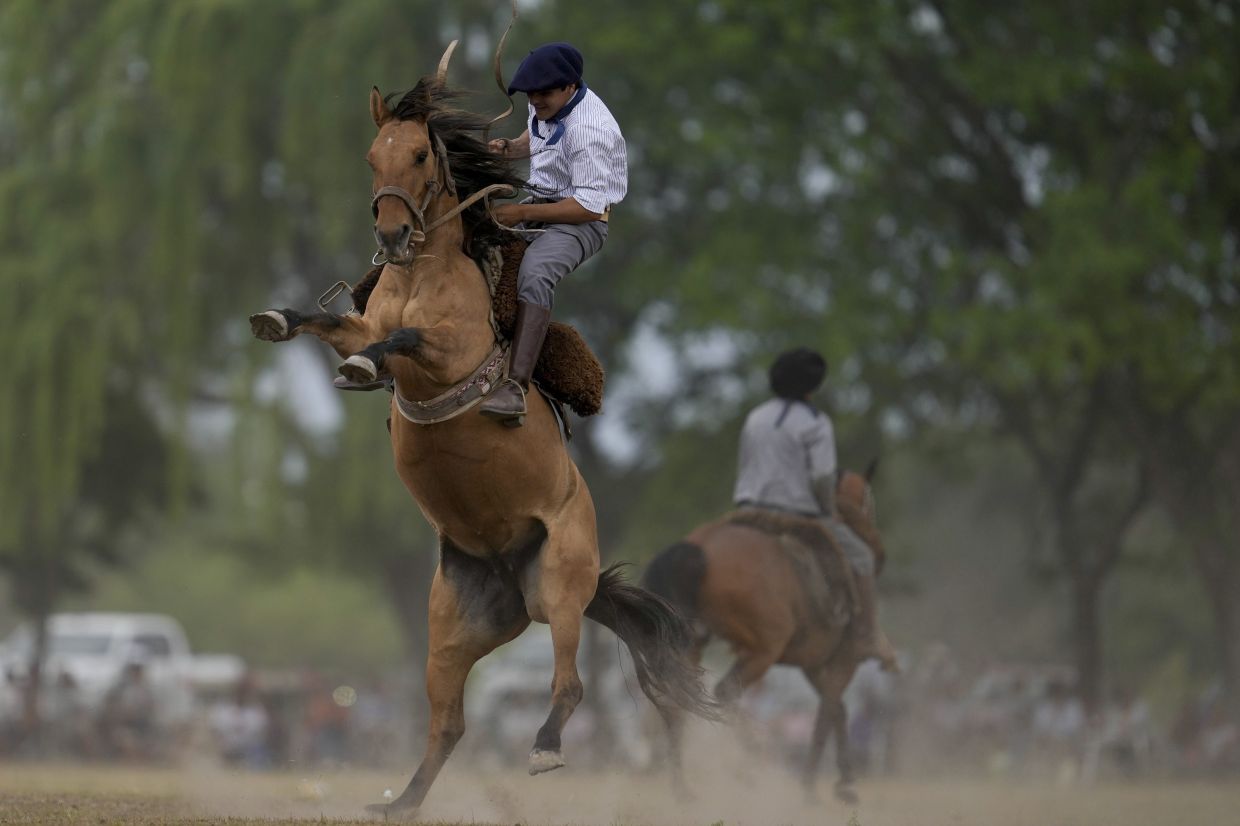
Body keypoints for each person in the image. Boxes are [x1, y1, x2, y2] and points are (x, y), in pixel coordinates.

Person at [482, 41, 628, 425]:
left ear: (569, 87)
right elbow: (537, 136)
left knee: (534, 271)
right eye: (531, 95)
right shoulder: (545, 101)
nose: (536, 101)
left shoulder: (592, 131)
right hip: (538, 206)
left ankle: (515, 387)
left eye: (544, 94)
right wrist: (509, 149)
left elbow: (588, 207)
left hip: (579, 223)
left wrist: (520, 211)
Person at [733, 347, 895, 668]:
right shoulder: (816, 422)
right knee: (862, 557)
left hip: (747, 511)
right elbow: (823, 477)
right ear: (812, 386)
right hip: (794, 515)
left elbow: (747, 463)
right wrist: (827, 510)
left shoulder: (756, 417)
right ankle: (867, 635)